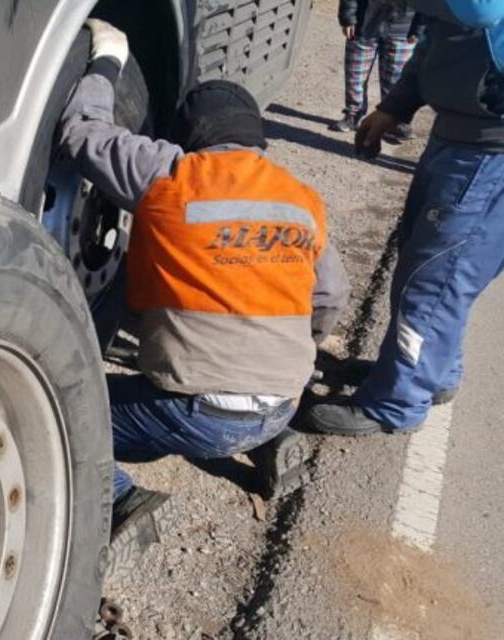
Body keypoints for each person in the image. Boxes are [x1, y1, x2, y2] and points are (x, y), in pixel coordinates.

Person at [59, 20, 351, 539]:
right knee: (233, 389)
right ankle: (269, 443)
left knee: (60, 410)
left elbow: (84, 133)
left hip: (193, 414)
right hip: (285, 402)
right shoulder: (301, 198)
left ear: (190, 134)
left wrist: (106, 60)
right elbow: (330, 298)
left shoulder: (170, 173)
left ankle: (121, 500)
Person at [309, 0, 504, 436]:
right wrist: (395, 107)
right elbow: (438, 39)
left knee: (436, 281)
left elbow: (480, 11)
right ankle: (428, 374)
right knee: (426, 267)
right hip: (458, 137)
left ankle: (395, 403)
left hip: (491, 156)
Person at [331, 0, 425, 141]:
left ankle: (393, 121)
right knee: (355, 76)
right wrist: (348, 17)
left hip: (403, 30)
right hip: (364, 26)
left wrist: (419, 29)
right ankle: (353, 114)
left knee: (396, 79)